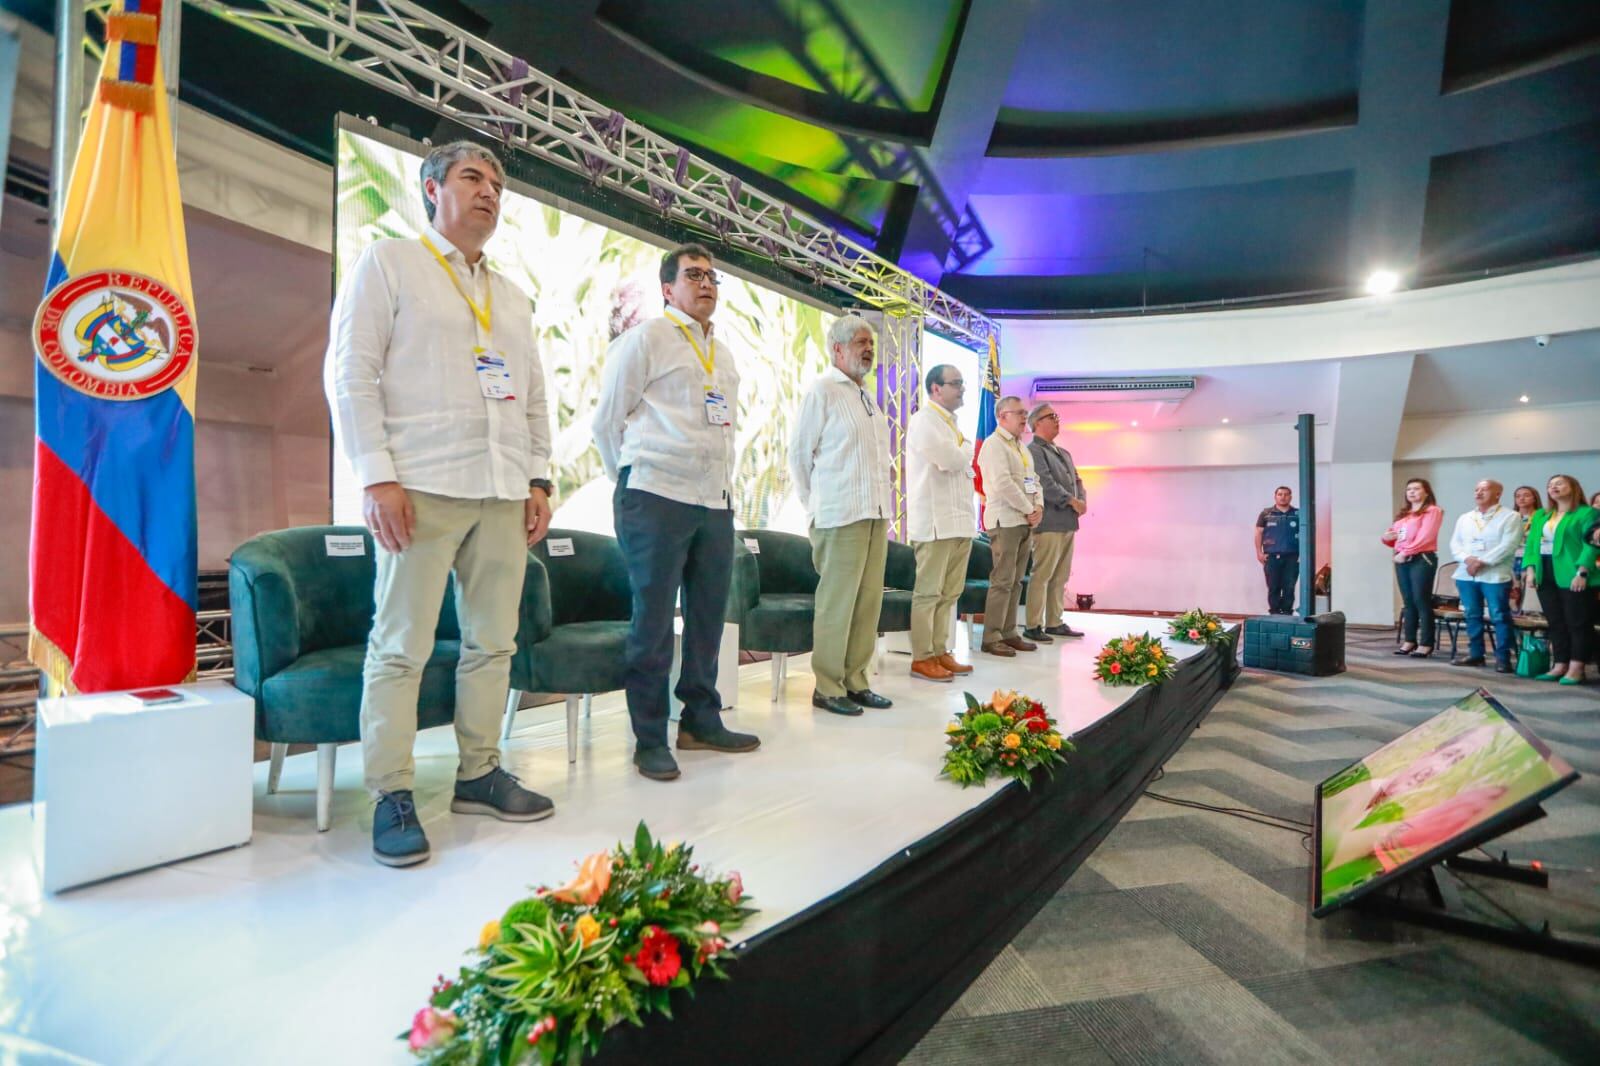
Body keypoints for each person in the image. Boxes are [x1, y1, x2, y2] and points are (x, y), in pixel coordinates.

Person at [328, 140, 556, 867]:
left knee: (493, 644)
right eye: (472, 177)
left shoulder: (511, 295)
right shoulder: (390, 263)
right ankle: (391, 793)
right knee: (401, 647)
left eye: (497, 183)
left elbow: (534, 395)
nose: (489, 191)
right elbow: (351, 373)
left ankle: (479, 774)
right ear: (432, 189)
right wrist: (375, 477)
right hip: (419, 486)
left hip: (501, 490)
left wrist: (540, 480)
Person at [593, 243, 761, 781]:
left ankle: (700, 721)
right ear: (667, 289)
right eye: (693, 275)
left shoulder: (723, 353)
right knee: (654, 621)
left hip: (713, 500)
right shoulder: (646, 338)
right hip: (655, 495)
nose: (706, 283)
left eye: (712, 276)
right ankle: (649, 738)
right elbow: (606, 421)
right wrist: (634, 479)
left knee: (709, 617)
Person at [789, 315, 896, 715]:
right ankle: (828, 686)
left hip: (874, 513)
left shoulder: (867, 397)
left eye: (871, 343)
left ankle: (856, 681)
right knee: (838, 604)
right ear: (837, 348)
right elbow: (799, 455)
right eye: (860, 342)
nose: (869, 349)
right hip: (839, 515)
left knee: (868, 603)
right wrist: (815, 504)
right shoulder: (823, 391)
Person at [905, 364, 976, 683]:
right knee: (928, 594)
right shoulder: (924, 420)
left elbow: (960, 461)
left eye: (961, 383)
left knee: (949, 594)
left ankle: (939, 650)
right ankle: (922, 657)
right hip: (935, 523)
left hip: (959, 521)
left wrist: (962, 450)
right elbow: (950, 460)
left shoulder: (951, 423)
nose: (961, 389)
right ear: (936, 388)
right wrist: (965, 448)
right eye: (955, 383)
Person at [975, 396, 1043, 656]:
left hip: (1024, 520)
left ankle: (1009, 633)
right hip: (1005, 521)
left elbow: (1034, 480)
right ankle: (991, 637)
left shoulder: (1021, 448)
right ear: (1003, 416)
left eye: (1025, 413)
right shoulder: (993, 445)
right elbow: (1002, 483)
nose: (1025, 417)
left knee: (1016, 582)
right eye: (1019, 413)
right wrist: (1029, 509)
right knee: (1002, 580)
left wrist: (1039, 507)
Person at [1520, 474, 1597, 685]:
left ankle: (1577, 667)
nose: (1553, 487)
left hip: (1573, 573)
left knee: (1578, 622)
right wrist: (1531, 570)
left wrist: (1582, 572)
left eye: (1559, 484)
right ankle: (1560, 664)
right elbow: (1532, 545)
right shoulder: (1543, 515)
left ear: (1573, 487)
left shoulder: (1587, 513)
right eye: (1550, 485)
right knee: (1555, 622)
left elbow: (1591, 545)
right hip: (1545, 571)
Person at [1022, 402, 1086, 642]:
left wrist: (1082, 500)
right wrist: (1071, 500)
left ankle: (1054, 622)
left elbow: (1077, 480)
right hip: (1048, 522)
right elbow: (1044, 483)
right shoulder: (1033, 451)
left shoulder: (1063, 452)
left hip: (1068, 522)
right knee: (1042, 575)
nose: (1057, 420)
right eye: (1052, 416)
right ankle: (1033, 625)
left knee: (1061, 576)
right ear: (1038, 423)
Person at [1446, 480, 1524, 672]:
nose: (1479, 492)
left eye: (1484, 489)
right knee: (1472, 614)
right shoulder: (1465, 517)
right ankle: (1476, 654)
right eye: (1476, 489)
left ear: (1498, 493)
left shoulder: (1510, 516)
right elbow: (1455, 544)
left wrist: (1481, 562)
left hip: (1494, 574)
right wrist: (1467, 559)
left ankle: (1503, 658)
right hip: (1466, 574)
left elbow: (1509, 545)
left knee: (1499, 615)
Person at [1381, 478, 1444, 657]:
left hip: (1421, 558)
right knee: (1408, 601)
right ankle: (1409, 640)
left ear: (1426, 492)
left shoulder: (1432, 511)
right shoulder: (1404, 515)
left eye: (1416, 488)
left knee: (1421, 600)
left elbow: (1425, 537)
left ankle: (1426, 643)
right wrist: (1386, 537)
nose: (1412, 492)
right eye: (1409, 489)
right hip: (1402, 558)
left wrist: (1406, 552)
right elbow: (1394, 538)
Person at [1254, 486, 1300, 615]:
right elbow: (1258, 533)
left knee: (1289, 587)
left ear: (1290, 497)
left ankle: (1287, 613)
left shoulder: (1298, 514)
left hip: (1292, 557)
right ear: (1275, 496)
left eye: (1286, 494)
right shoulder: (1266, 513)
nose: (1283, 497)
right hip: (1272, 557)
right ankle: (1274, 614)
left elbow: (1306, 534)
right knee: (1273, 587)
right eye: (1280, 494)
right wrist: (1259, 553)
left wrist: (1303, 555)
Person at [1509, 485, 1540, 612]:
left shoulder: (1541, 517)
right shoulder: (1510, 517)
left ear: (1535, 498)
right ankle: (1513, 619)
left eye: (1526, 495)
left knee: (1530, 593)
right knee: (1513, 594)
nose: (1521, 498)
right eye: (1518, 496)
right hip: (1512, 558)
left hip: (1531, 558)